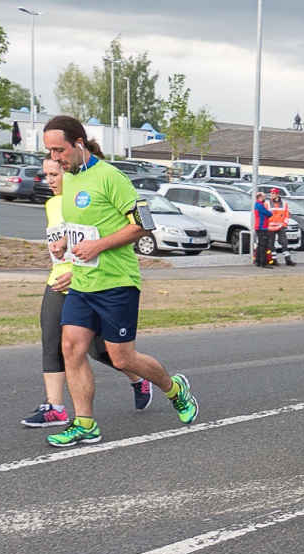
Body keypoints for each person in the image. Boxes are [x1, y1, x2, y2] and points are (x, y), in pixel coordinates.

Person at [41, 115, 198, 446]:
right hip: (83, 283)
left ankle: (174, 388)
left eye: (59, 150)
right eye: (50, 152)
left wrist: (98, 245)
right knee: (71, 347)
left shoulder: (111, 177)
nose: (55, 159)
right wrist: (66, 244)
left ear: (79, 144)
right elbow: (85, 226)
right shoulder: (69, 181)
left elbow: (144, 224)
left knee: (121, 358)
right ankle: (85, 424)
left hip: (117, 283)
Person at [23, 158, 152, 428]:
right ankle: (56, 407)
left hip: (93, 279)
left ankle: (140, 379)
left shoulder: (92, 189)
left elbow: (136, 224)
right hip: (58, 280)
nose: (51, 180)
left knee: (102, 351)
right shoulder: (51, 204)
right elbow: (72, 239)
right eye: (46, 174)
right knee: (54, 342)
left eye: (55, 174)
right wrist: (61, 248)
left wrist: (76, 271)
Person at [268, 188, 295, 266]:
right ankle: (274, 260)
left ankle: (288, 260)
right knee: (271, 244)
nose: (271, 195)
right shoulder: (267, 203)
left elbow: (287, 215)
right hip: (271, 227)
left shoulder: (284, 204)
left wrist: (284, 225)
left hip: (280, 227)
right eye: (271, 193)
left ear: (277, 194)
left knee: (284, 243)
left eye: (273, 193)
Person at [253, 192, 274, 267]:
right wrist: (270, 212)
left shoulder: (258, 205)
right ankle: (263, 262)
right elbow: (269, 214)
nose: (265, 198)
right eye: (264, 197)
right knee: (263, 245)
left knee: (260, 244)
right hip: (262, 227)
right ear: (260, 197)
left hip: (260, 227)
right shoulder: (260, 206)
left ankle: (258, 261)